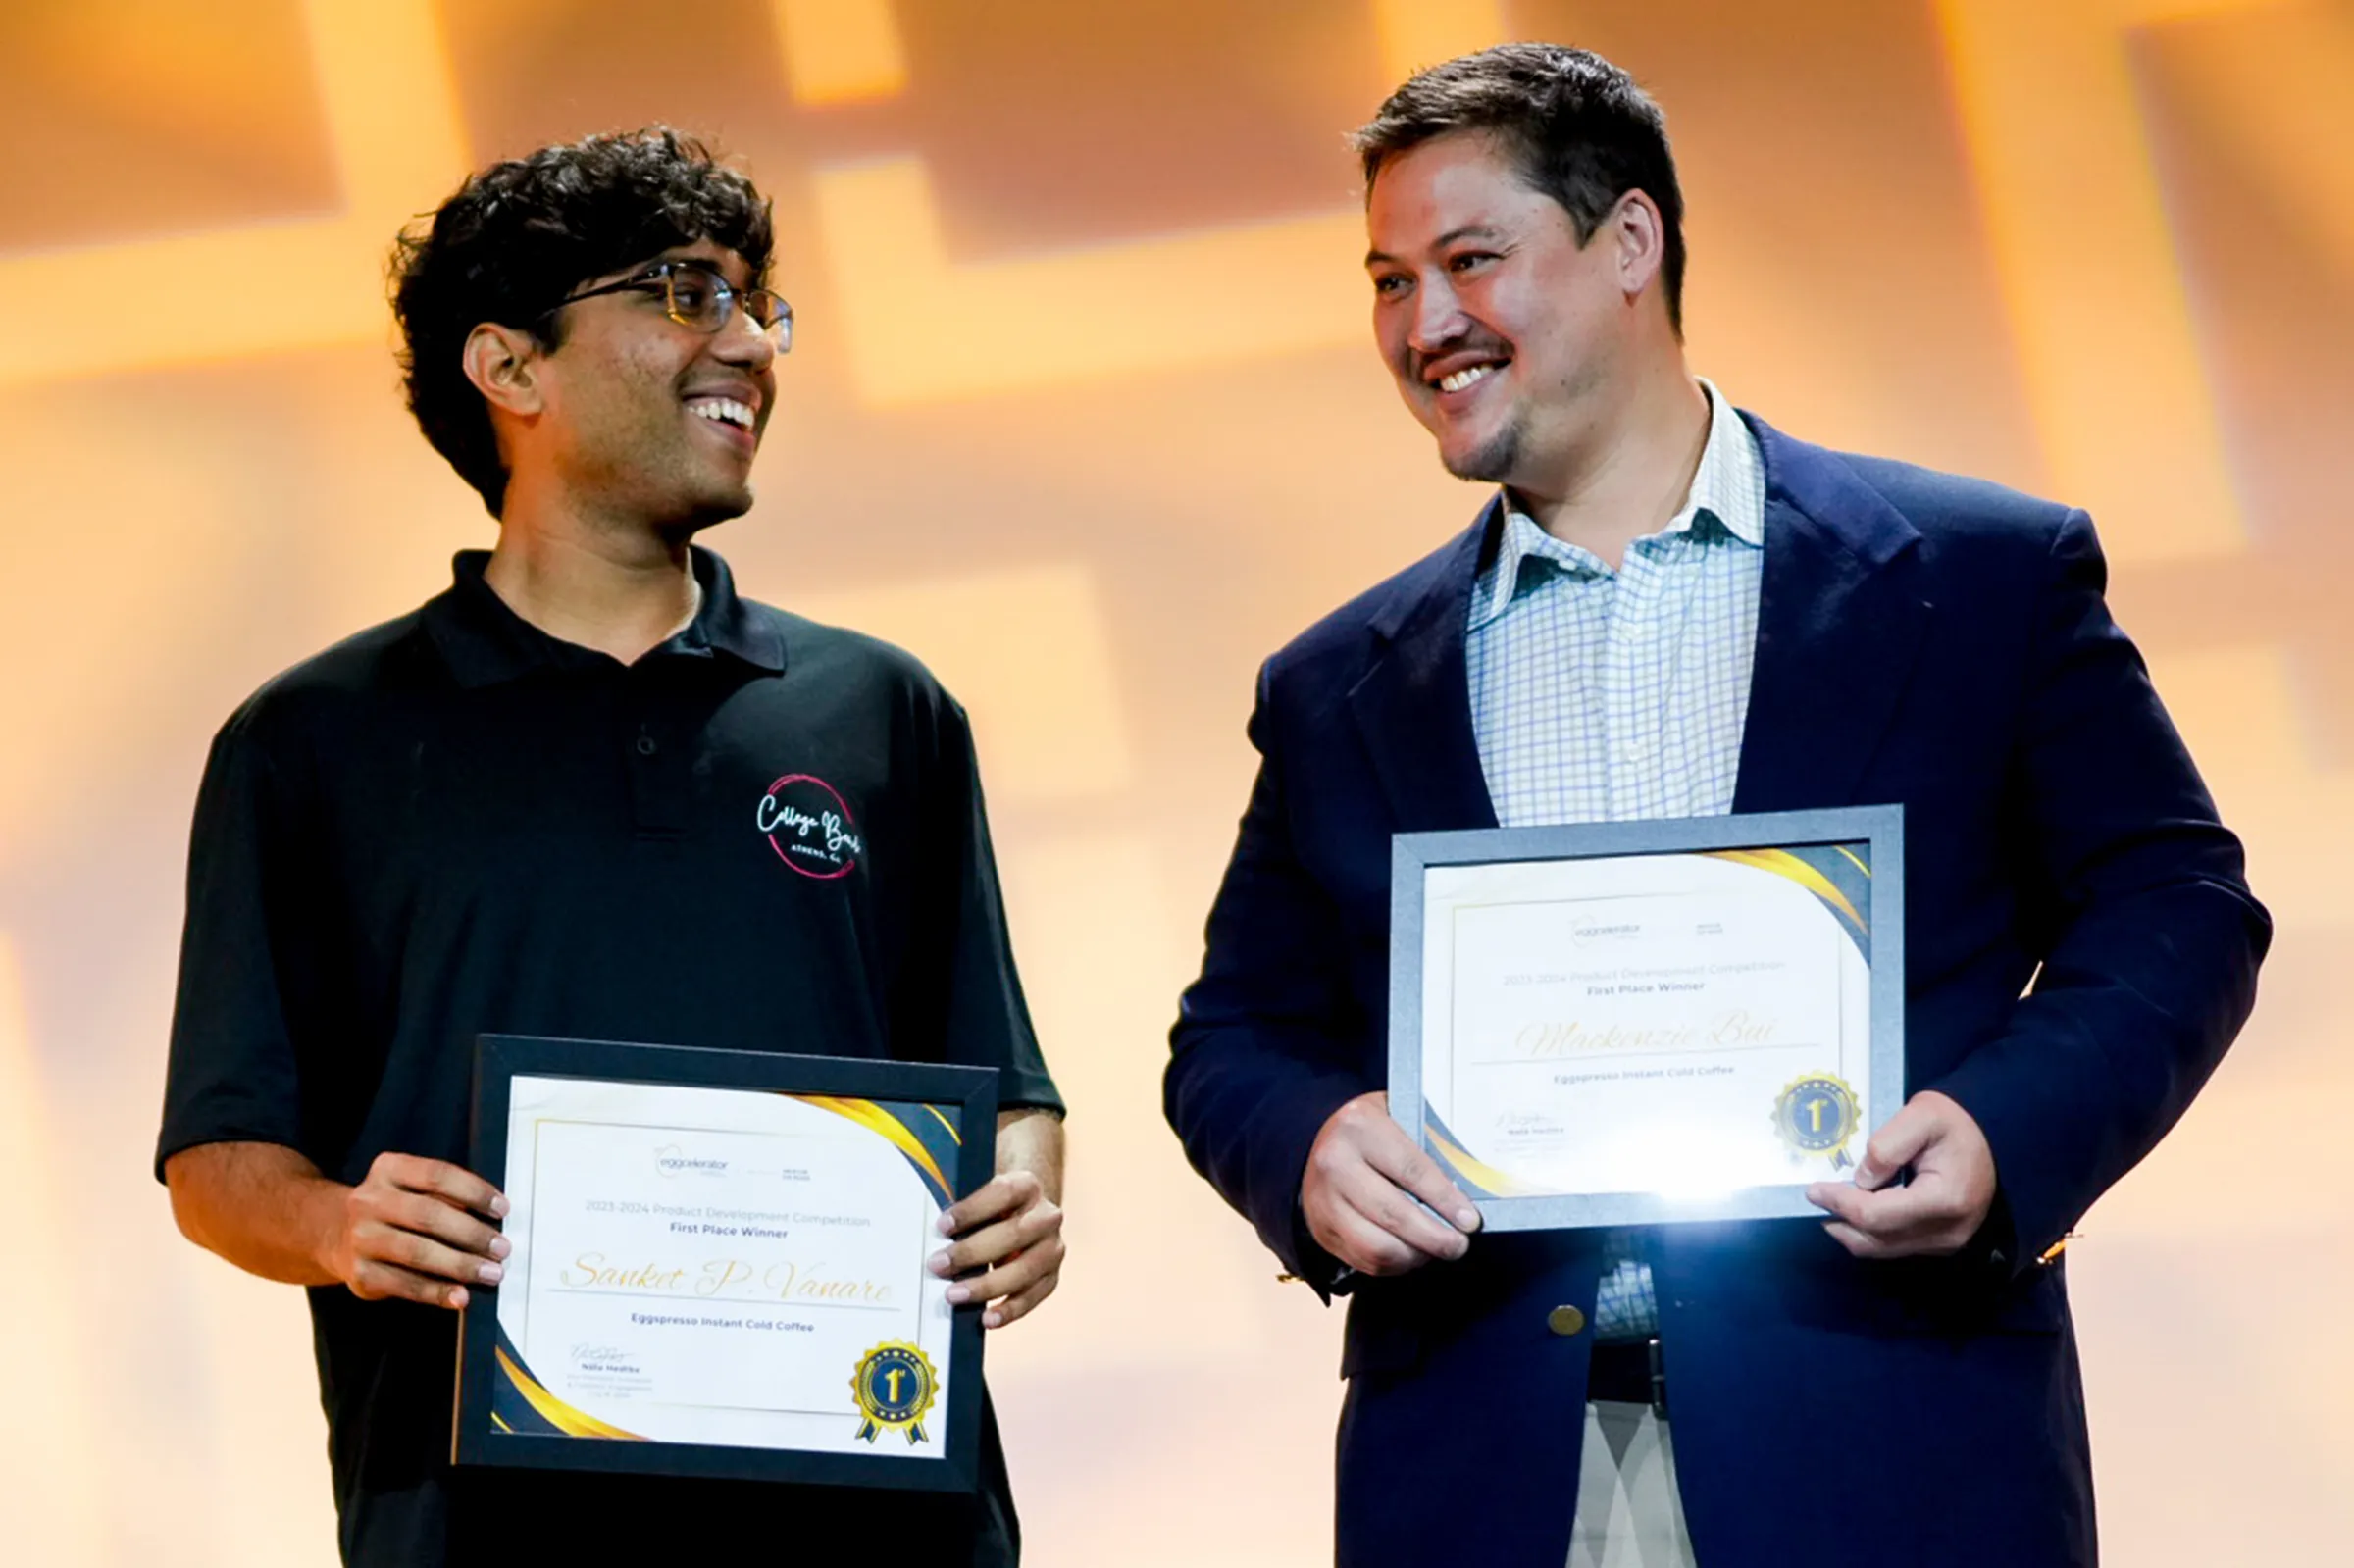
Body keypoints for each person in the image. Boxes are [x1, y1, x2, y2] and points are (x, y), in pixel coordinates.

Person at [1164, 44, 2266, 1568]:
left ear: (1631, 243)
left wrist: (2002, 1130)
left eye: (1470, 258)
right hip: (1486, 1470)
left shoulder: (1978, 578)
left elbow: (2178, 902)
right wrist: (1308, 1142)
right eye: (1387, 278)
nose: (1424, 324)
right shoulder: (1341, 684)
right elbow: (1233, 1037)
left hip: (1888, 1440)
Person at [156, 128, 1066, 1568]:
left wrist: (1024, 1198)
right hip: (481, 1522)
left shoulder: (881, 710)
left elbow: (1003, 1086)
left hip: (867, 1511)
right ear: (509, 368)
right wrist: (340, 1225)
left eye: (762, 307)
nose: (751, 347)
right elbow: (218, 1159)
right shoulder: (311, 740)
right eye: (685, 295)